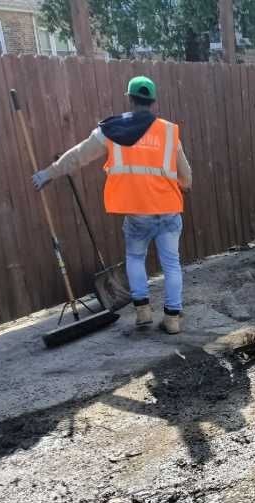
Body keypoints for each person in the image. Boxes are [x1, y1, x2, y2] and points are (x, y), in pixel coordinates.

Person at [31, 76, 192, 334]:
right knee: (171, 264)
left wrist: (48, 173)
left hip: (137, 214)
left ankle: (142, 311)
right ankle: (172, 319)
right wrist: (181, 186)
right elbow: (187, 178)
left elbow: (78, 155)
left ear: (130, 99)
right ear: (153, 101)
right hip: (168, 210)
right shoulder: (170, 132)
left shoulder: (111, 130)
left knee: (135, 257)